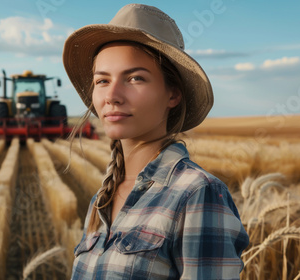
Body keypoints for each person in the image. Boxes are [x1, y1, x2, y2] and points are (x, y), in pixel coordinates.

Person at [63, 3, 249, 279]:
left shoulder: (197, 194)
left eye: (135, 78)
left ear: (173, 95)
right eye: (102, 81)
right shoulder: (101, 200)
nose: (112, 95)